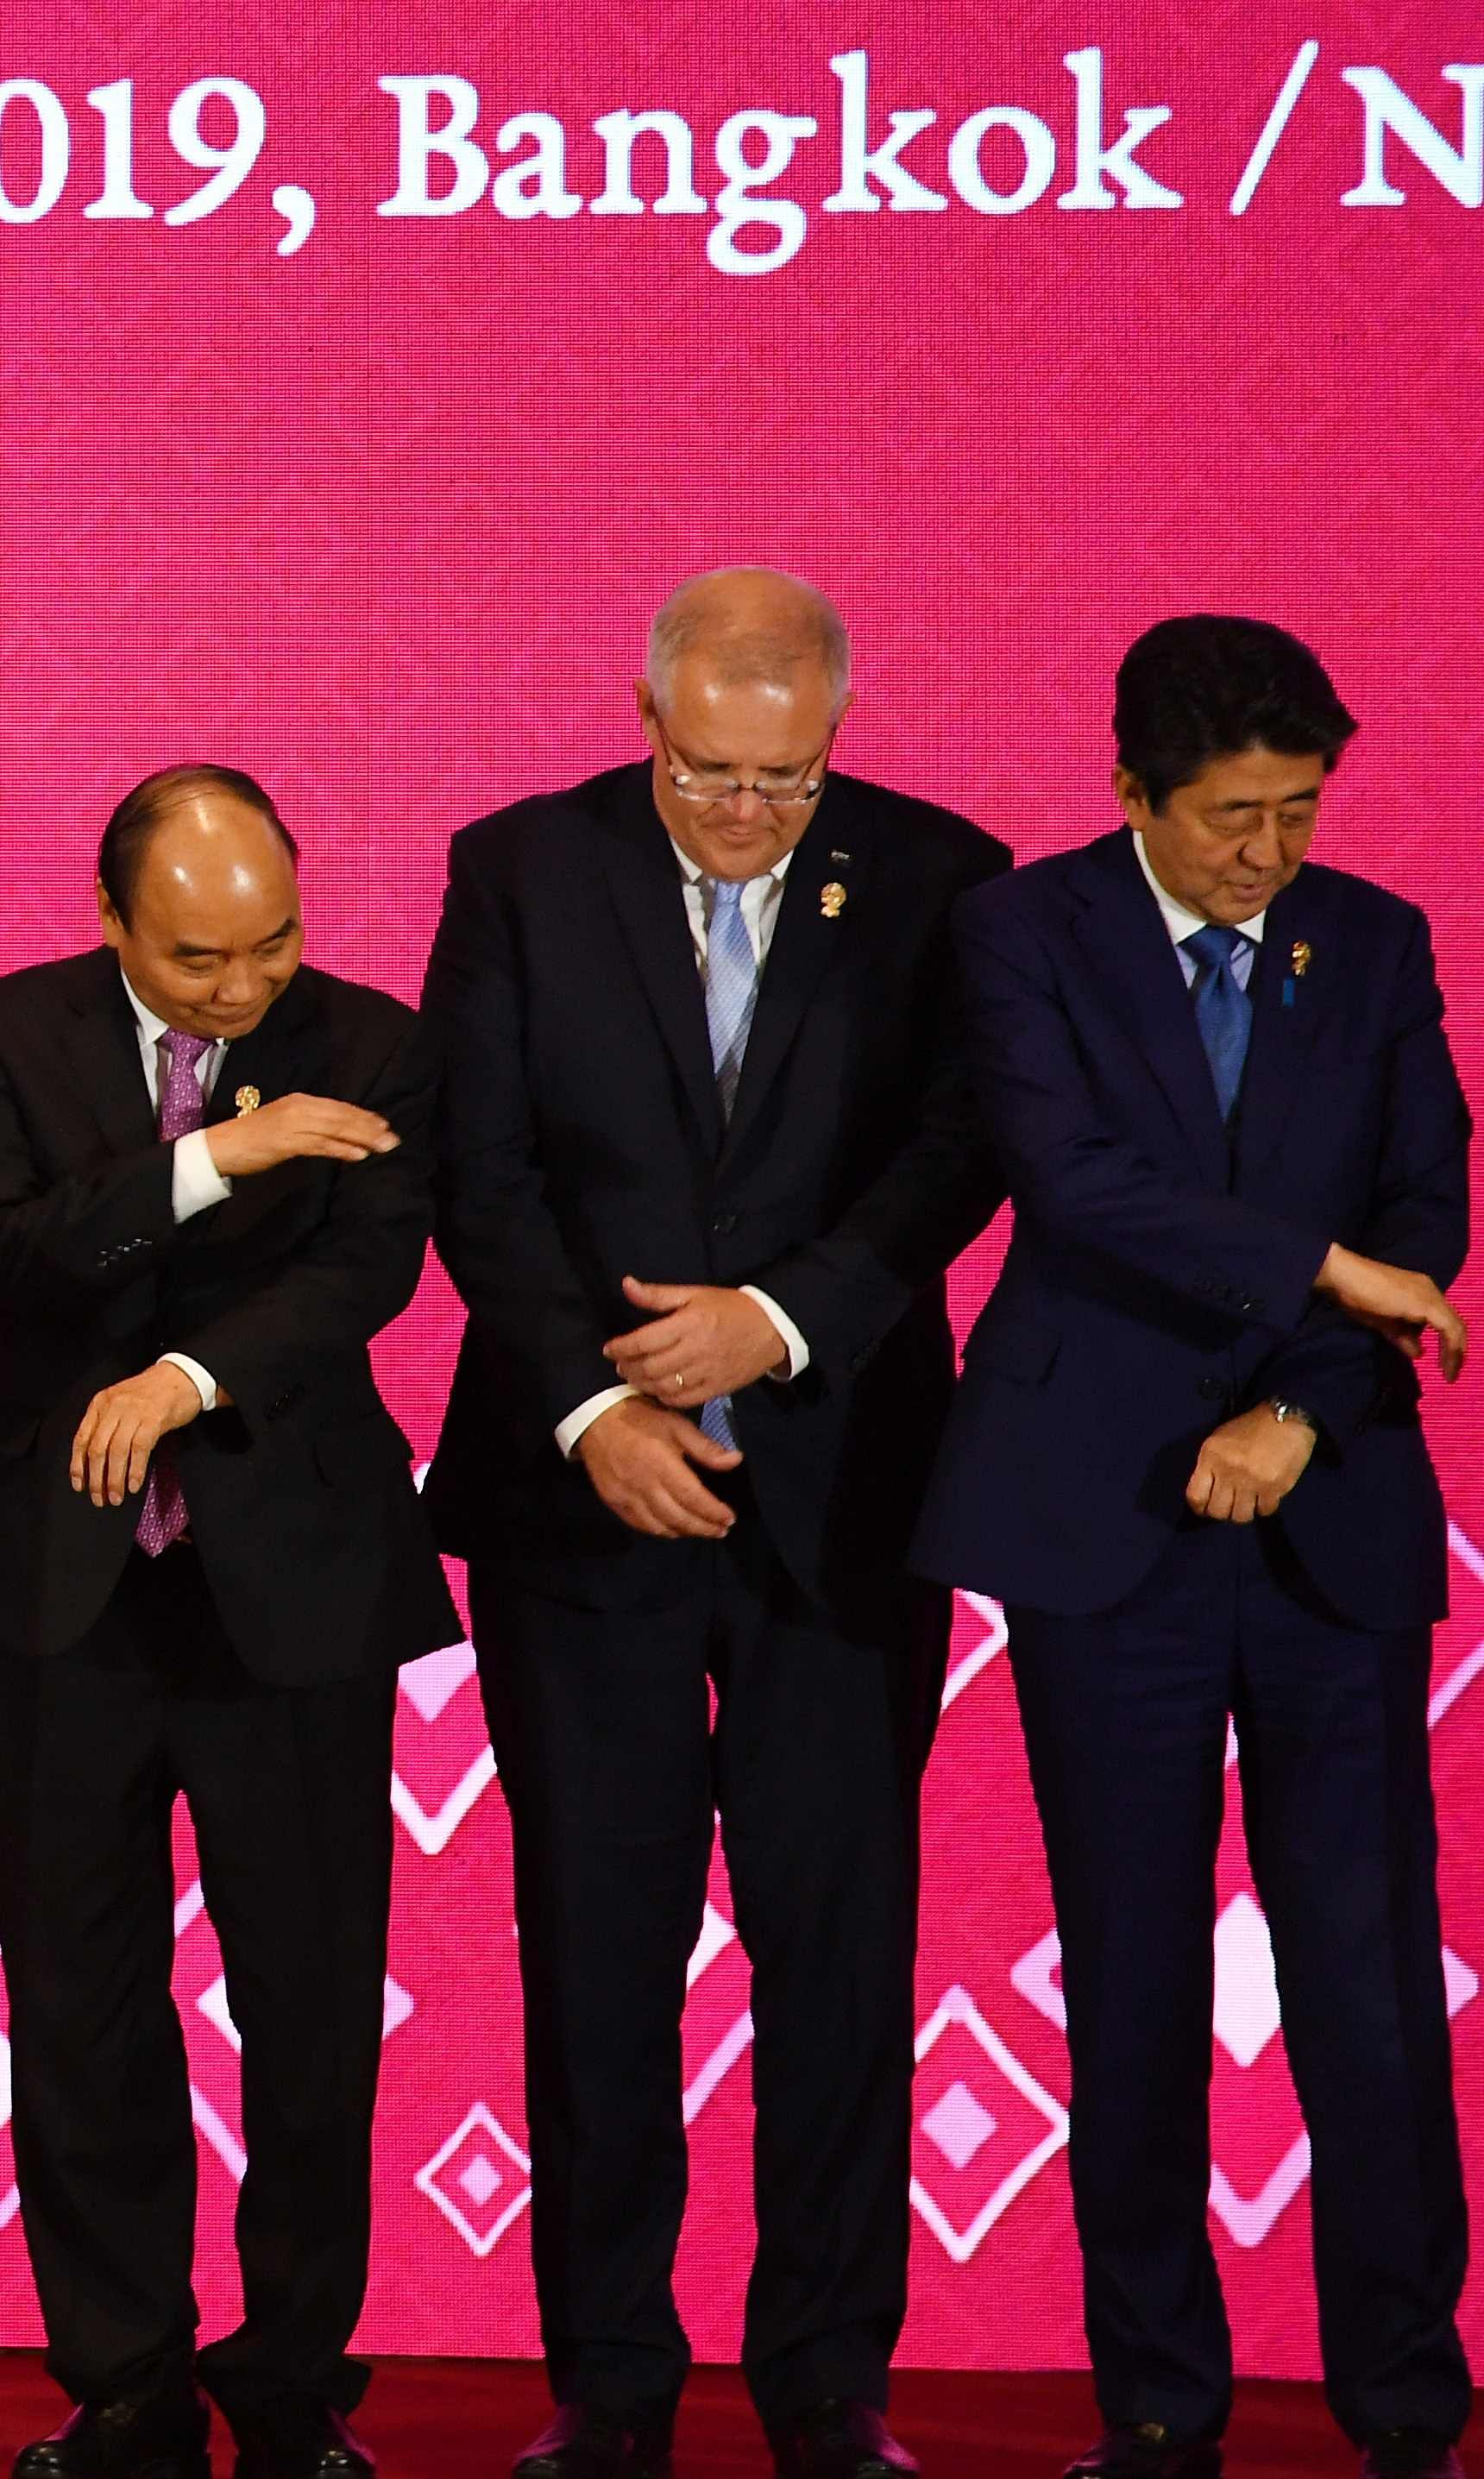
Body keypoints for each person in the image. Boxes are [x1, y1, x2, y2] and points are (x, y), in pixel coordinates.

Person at [420, 569, 1007, 2479]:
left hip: (841, 1500)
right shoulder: (519, 868)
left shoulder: (938, 874)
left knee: (837, 1945)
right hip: (579, 1501)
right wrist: (599, 1402)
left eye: (786, 778)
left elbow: (958, 1144)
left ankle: (827, 2381)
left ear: (834, 737)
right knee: (596, 1941)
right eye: (709, 774)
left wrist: (786, 1316)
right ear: (649, 718)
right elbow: (479, 1170)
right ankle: (609, 2382)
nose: (747, 814)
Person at [914, 619, 1472, 2479]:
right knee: (1133, 1977)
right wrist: (1320, 1275)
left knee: (1371, 1982)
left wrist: (1302, 1408)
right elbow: (1078, 1187)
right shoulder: (1026, 932)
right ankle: (1158, 2406)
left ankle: (1407, 2404)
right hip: (1109, 1526)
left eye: (1299, 812)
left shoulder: (1377, 943)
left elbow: (1424, 1205)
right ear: (1133, 791)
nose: (1268, 853)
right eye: (1232, 817)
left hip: (1326, 1521)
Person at [0, 768, 456, 2479]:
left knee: (307, 2001)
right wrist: (219, 1156)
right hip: (65, 1585)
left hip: (291, 1579)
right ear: (113, 925)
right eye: (203, 960)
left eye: (275, 945)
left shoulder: (371, 1044)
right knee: (82, 1997)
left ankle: (295, 2381)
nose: (249, 989)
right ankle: (125, 2377)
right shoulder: (4, 1033)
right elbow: (9, 1254)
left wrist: (189, 1371)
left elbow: (366, 1272)